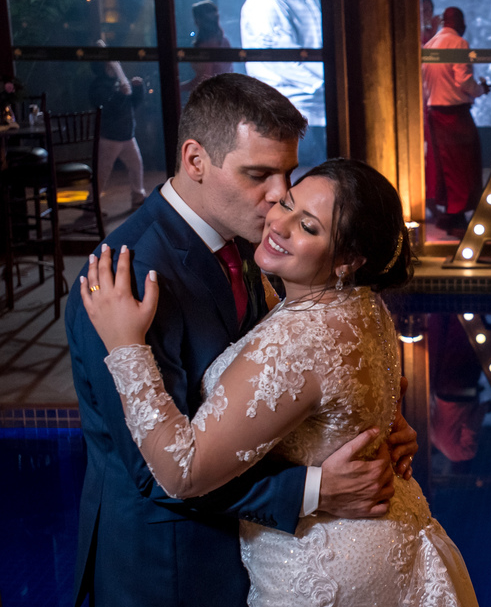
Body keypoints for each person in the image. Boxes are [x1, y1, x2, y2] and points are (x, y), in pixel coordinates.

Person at [65, 74, 417, 607]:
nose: (278, 197)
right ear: (195, 159)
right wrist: (315, 488)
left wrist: (370, 422)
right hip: (170, 569)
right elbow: (157, 473)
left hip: (255, 555)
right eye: (259, 175)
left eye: (286, 175)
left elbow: (283, 385)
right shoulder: (127, 277)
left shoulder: (255, 243)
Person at [241, 0, 326, 167]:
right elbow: (285, 63)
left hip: (313, 115)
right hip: (290, 119)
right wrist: (331, 82)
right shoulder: (265, 2)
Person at [423, 7, 491, 237]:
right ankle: (457, 214)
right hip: (455, 113)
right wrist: (480, 90)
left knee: (446, 166)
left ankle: (450, 212)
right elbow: (463, 81)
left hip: (434, 111)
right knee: (462, 165)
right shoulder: (459, 43)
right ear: (460, 22)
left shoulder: (430, 45)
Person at [88, 41, 146, 211]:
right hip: (110, 137)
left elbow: (132, 104)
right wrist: (121, 94)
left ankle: (138, 198)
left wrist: (138, 89)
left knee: (136, 166)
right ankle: (91, 204)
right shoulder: (99, 85)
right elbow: (107, 108)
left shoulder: (118, 81)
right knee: (102, 172)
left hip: (127, 134)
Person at [182, 0, 234, 97]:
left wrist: (179, 87)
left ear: (198, 20)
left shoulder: (205, 46)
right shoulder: (224, 41)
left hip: (211, 98)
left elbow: (204, 79)